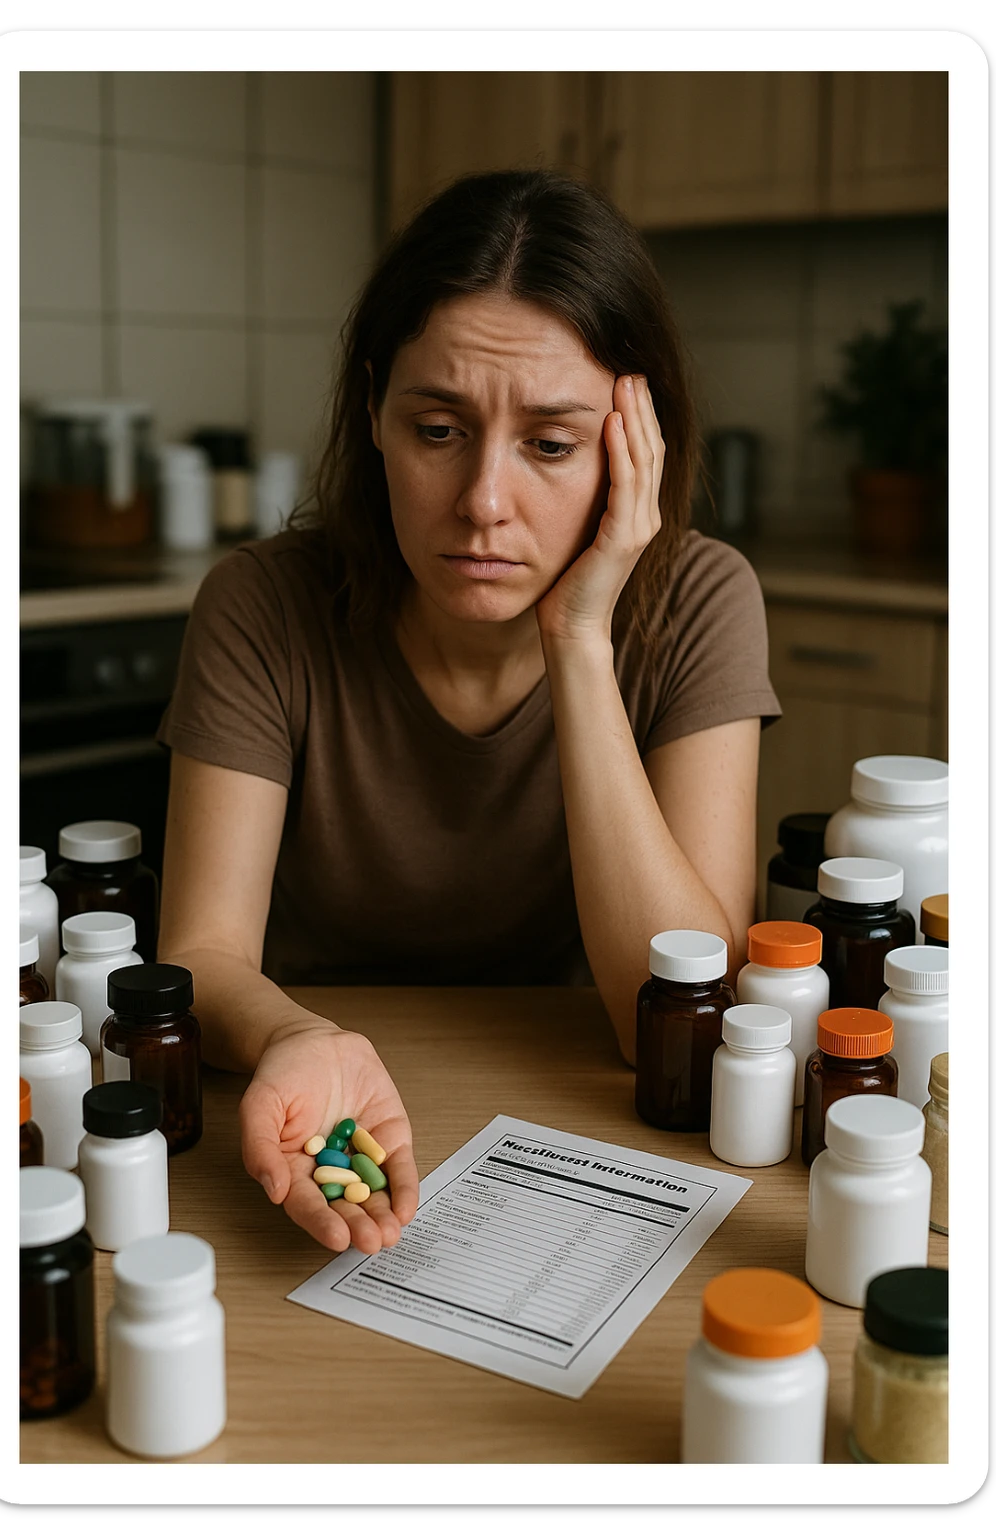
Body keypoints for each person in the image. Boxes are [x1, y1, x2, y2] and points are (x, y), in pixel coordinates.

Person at [156, 168, 781, 1258]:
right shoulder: (261, 603)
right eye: (438, 429)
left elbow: (674, 1010)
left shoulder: (698, 601)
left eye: (550, 444)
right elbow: (200, 955)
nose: (485, 502)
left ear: (630, 449)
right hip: (318, 1099)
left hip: (579, 1113)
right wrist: (296, 1034)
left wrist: (579, 640)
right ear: (373, 416)